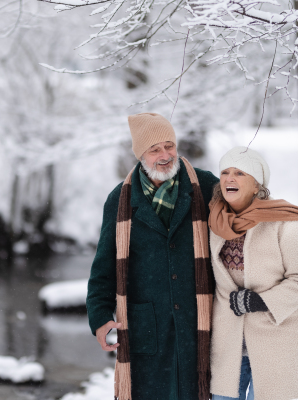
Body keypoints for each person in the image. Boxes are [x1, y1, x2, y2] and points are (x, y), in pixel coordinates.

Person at [86, 113, 219, 400]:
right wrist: (99, 317)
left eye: (169, 146)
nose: (165, 155)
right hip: (146, 329)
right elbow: (103, 269)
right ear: (140, 155)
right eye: (154, 149)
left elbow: (239, 224)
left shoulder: (206, 187)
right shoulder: (120, 201)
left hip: (199, 324)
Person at [208, 146, 298, 400]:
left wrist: (259, 301)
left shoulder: (286, 223)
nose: (230, 178)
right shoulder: (216, 222)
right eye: (225, 172)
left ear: (258, 185)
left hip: (275, 343)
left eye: (239, 173)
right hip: (229, 345)